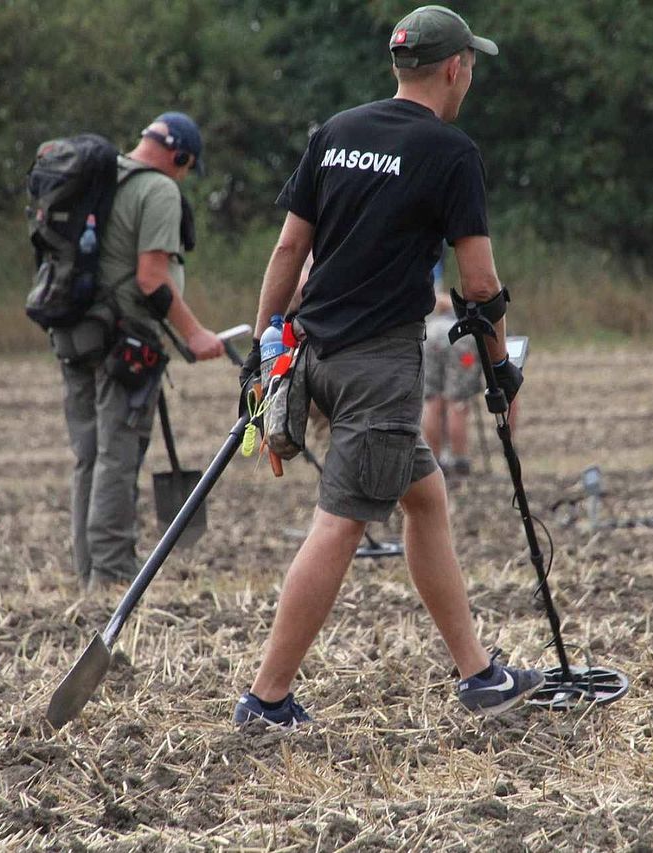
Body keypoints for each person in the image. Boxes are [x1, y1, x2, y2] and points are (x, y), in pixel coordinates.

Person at [234, 5, 544, 728]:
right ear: (454, 68)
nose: (469, 76)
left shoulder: (336, 133)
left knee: (425, 497)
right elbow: (477, 281)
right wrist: (498, 362)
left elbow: (288, 252)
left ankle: (478, 676)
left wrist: (262, 349)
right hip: (379, 368)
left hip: (312, 352)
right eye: (471, 65)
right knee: (340, 523)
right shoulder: (451, 152)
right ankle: (266, 698)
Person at [63, 112, 224, 590]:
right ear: (181, 157)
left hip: (74, 333)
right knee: (117, 454)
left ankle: (88, 570)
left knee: (88, 455)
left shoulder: (97, 178)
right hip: (124, 343)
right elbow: (151, 278)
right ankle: (112, 574)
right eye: (186, 168)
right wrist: (195, 334)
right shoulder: (157, 190)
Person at [423, 250, 483, 476]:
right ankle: (460, 462)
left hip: (429, 335)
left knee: (432, 400)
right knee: (457, 401)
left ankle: (435, 462)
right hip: (455, 336)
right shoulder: (432, 262)